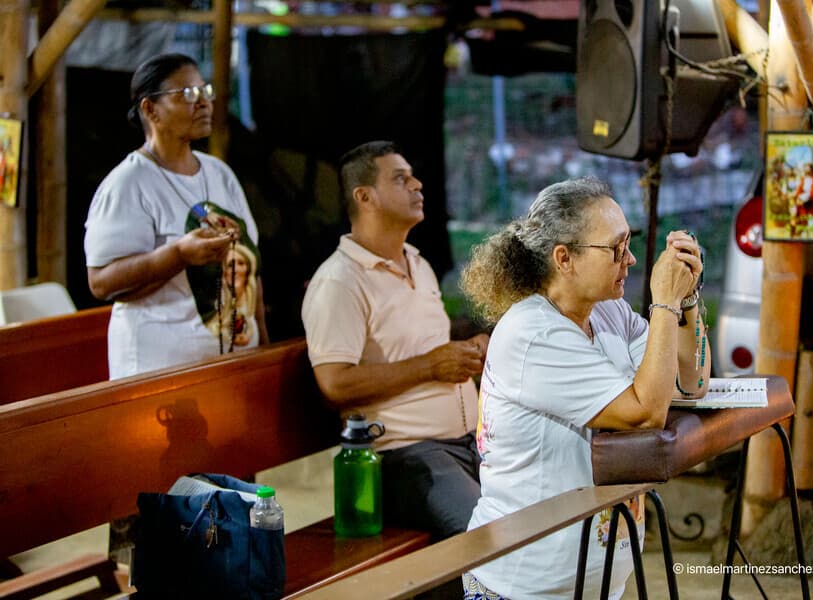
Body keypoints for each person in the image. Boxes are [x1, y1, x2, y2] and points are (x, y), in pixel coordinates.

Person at [459, 176, 710, 600]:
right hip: (522, 587)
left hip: (588, 584)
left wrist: (686, 301)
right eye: (616, 248)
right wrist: (664, 302)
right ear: (564, 259)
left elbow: (690, 382)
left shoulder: (609, 312)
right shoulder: (533, 333)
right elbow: (646, 410)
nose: (629, 259)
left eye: (629, 244)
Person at [300, 141, 487, 546]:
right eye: (401, 179)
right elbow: (334, 384)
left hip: (469, 443)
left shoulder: (417, 262)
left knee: (542, 516)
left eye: (413, 176)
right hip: (405, 458)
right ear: (364, 197)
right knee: (489, 539)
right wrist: (431, 366)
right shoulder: (339, 281)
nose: (418, 185)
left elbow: (424, 349)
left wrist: (469, 350)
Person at [84, 53, 268, 379]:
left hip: (236, 364)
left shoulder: (219, 173)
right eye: (187, 95)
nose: (204, 103)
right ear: (150, 109)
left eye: (205, 91)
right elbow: (100, 281)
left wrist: (264, 349)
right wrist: (178, 254)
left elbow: (251, 269)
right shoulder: (129, 184)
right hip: (160, 373)